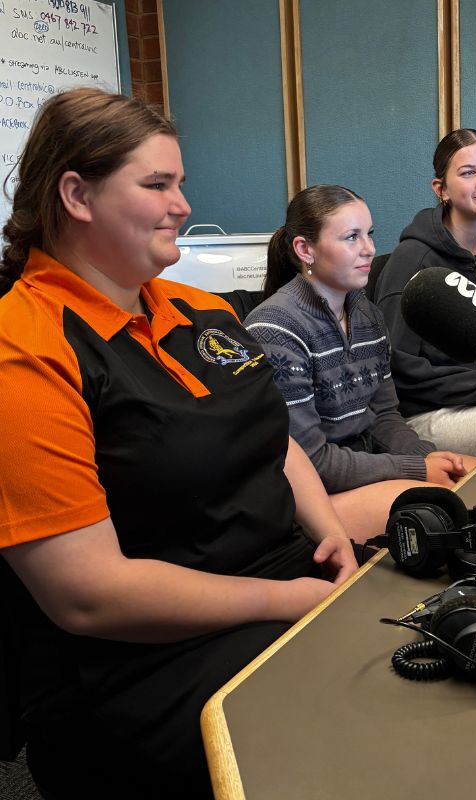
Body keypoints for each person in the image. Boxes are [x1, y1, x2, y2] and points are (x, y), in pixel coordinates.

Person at [0, 88, 358, 800]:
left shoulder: (203, 310)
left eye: (180, 184)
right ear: (76, 194)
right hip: (141, 660)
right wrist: (287, 601)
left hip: (282, 580)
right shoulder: (24, 347)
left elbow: (272, 436)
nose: (183, 205)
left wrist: (330, 534)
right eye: (157, 184)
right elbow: (89, 597)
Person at [244, 185, 476, 542]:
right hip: (306, 500)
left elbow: (384, 415)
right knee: (451, 512)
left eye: (369, 234)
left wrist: (430, 457)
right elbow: (312, 463)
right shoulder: (276, 329)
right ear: (304, 249)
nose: (369, 249)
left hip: (360, 473)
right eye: (351, 237)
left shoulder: (366, 313)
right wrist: (417, 469)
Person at [373, 128, 476, 457]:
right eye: (469, 173)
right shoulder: (413, 261)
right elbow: (396, 368)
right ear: (440, 189)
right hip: (419, 416)